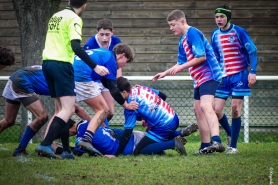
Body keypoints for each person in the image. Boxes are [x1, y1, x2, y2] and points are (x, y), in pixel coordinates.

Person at [36, 0, 109, 160]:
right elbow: (75, 46)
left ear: (69, 2)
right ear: (85, 5)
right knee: (68, 109)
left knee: (61, 110)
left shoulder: (56, 16)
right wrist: (95, 66)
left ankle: (67, 150)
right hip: (62, 65)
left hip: (47, 63)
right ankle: (45, 144)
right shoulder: (74, 18)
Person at [152, 9, 225, 155]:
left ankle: (217, 141)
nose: (171, 28)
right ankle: (205, 145)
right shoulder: (182, 40)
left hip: (209, 75)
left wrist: (181, 68)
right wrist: (164, 73)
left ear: (182, 21)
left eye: (173, 24)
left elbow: (201, 57)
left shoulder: (193, 33)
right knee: (197, 109)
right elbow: (180, 63)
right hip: (198, 79)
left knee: (205, 106)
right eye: (170, 25)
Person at [0, 65, 91, 157]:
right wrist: (93, 125)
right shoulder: (67, 80)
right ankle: (20, 149)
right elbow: (75, 108)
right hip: (22, 81)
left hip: (15, 77)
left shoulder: (62, 72)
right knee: (42, 117)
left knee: (9, 120)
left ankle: (30, 147)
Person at [104, 76, 199, 157]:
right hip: (173, 117)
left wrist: (115, 154)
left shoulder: (131, 106)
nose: (115, 97)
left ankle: (173, 143)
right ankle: (179, 133)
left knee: (138, 151)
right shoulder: (140, 88)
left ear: (124, 92)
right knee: (149, 134)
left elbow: (127, 134)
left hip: (164, 126)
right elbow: (163, 96)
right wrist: (149, 116)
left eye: (117, 94)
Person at [211, 5, 258, 154]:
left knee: (235, 109)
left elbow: (253, 52)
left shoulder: (239, 32)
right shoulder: (214, 35)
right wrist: (214, 75)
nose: (219, 19)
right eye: (217, 17)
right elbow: (215, 57)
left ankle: (233, 146)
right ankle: (231, 133)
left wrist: (253, 72)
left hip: (239, 75)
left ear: (228, 17)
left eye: (222, 17)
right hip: (223, 78)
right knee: (216, 110)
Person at [52, 119, 198, 157]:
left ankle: (172, 143)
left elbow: (78, 152)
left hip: (123, 146)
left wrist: (58, 148)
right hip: (124, 135)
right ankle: (179, 132)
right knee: (151, 137)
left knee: (140, 150)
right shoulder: (89, 122)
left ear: (69, 130)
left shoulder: (81, 135)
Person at [84, 18, 123, 125]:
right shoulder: (90, 44)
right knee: (102, 110)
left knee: (110, 112)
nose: (104, 38)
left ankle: (98, 128)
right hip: (94, 80)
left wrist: (118, 81)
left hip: (108, 79)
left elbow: (118, 65)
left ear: (112, 32)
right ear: (97, 33)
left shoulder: (116, 42)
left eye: (107, 34)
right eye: (101, 34)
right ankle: (101, 132)